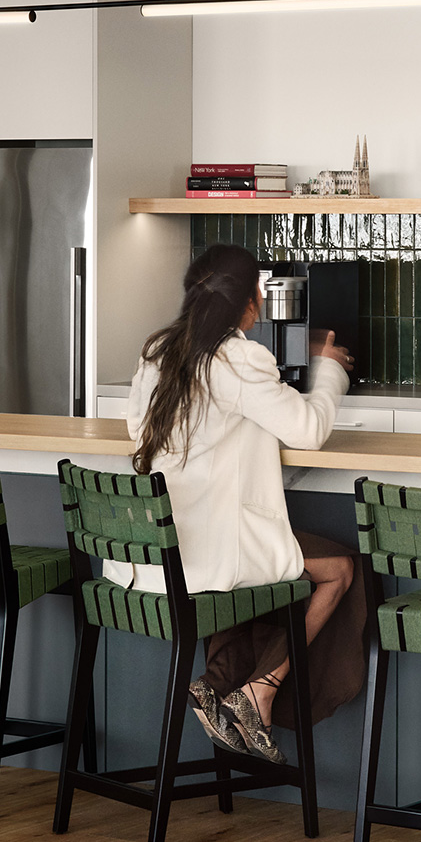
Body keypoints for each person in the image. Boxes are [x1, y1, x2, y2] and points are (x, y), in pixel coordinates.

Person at [123, 244, 365, 764]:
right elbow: (308, 428)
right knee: (342, 571)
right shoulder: (237, 358)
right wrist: (327, 368)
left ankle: (216, 684)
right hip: (208, 558)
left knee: (255, 582)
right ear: (250, 304)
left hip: (152, 560)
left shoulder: (157, 352)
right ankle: (262, 689)